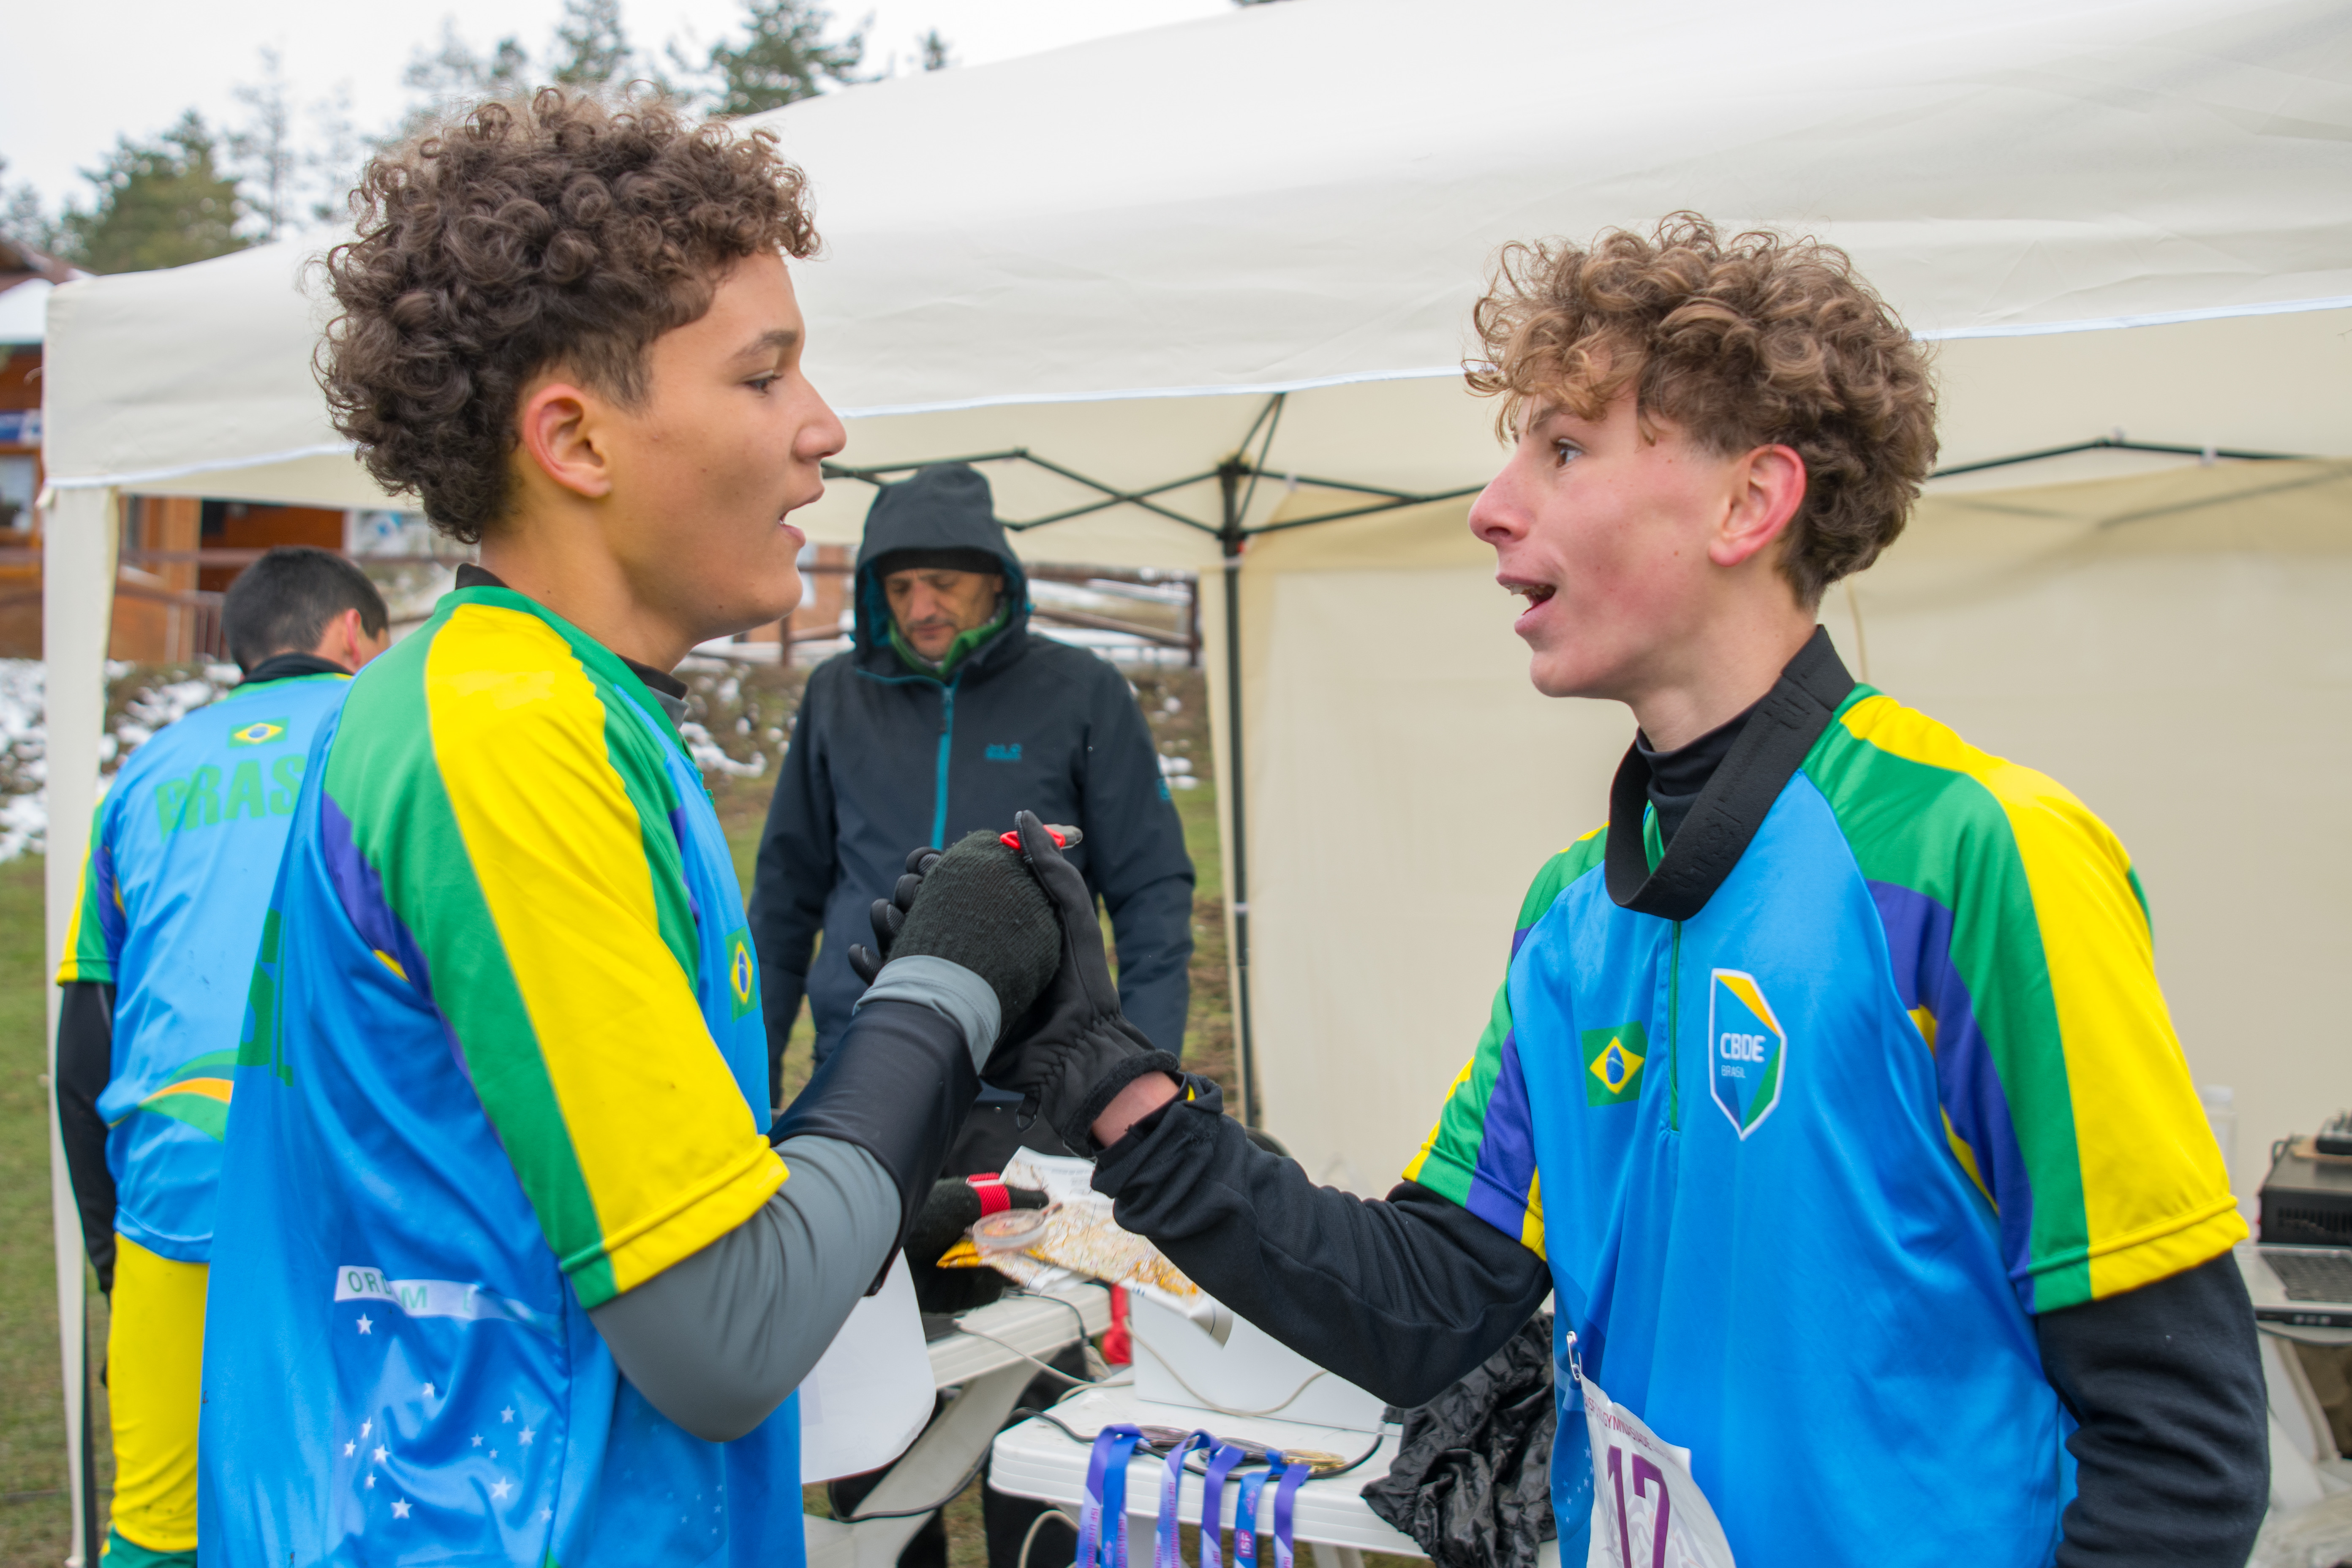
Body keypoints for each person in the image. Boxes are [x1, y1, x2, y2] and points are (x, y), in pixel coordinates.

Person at [890, 218, 2271, 1567]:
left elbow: (2180, 1444)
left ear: (1748, 502)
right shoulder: (1571, 913)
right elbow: (1427, 1305)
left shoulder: (1978, 854)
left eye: (1561, 449)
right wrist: (1113, 1082)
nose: (1491, 508)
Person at [197, 92, 1064, 1567]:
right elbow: (725, 1335)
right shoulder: (506, 731)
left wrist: (853, 1202)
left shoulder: (559, 706)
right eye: (764, 374)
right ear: (575, 439)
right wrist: (942, 991)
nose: (823, 428)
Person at [55, 545, 390, 1567]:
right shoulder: (390, 735)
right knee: (365, 1512)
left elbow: (84, 1039)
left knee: (159, 1533)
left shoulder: (144, 773)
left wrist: (118, 1262)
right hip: (355, 1189)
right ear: (352, 635)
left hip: (172, 1184)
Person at [751, 461, 1193, 1100]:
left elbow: (1152, 891)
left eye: (943, 583)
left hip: (1033, 1073)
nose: (920, 607)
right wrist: (753, 1080)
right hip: (858, 1056)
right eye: (899, 587)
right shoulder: (837, 694)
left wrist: (1138, 1080)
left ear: (997, 579)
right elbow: (783, 895)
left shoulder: (1082, 691)